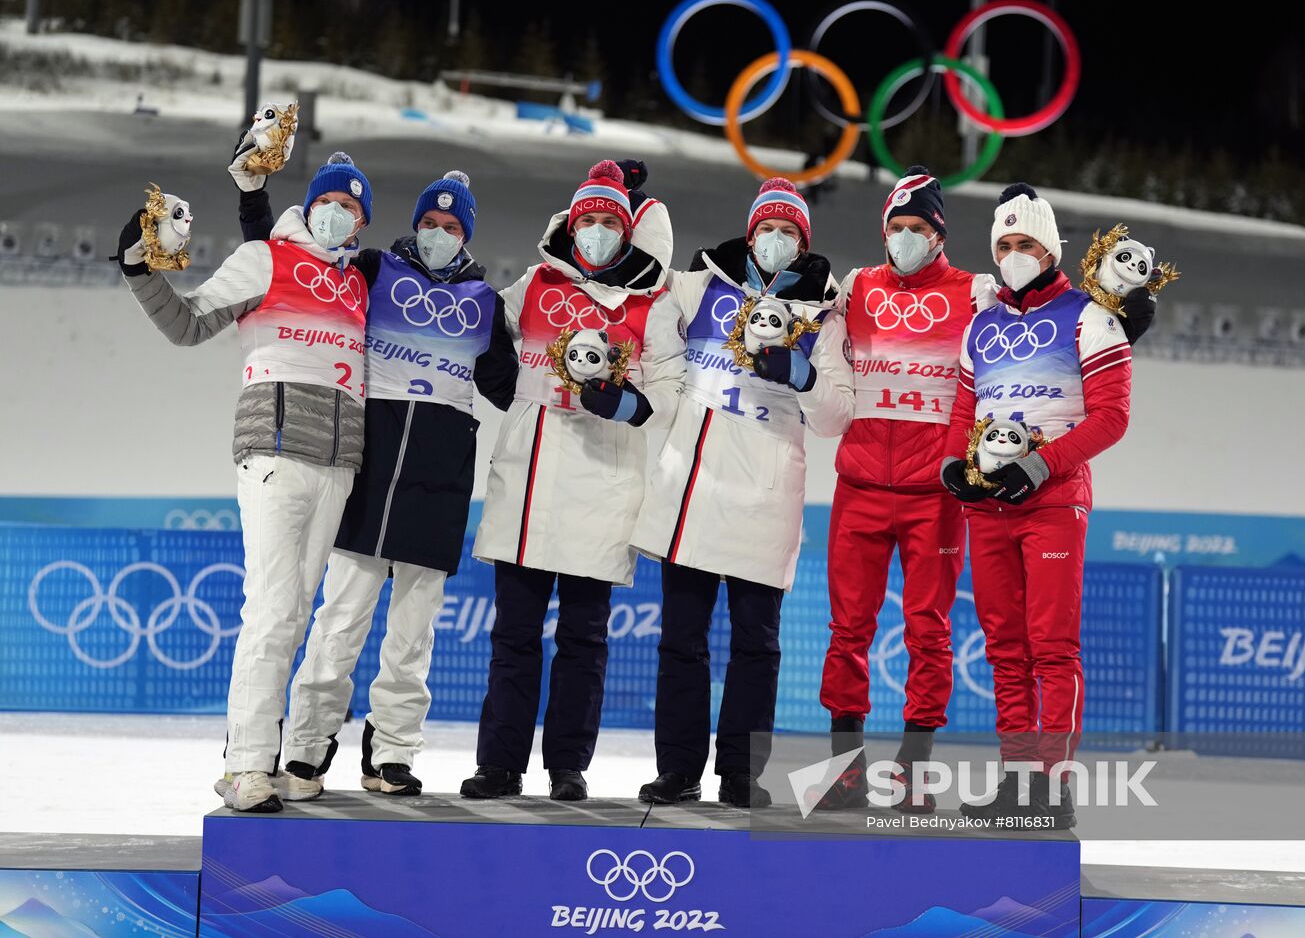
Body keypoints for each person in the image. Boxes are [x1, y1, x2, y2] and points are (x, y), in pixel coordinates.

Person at [230, 145, 517, 798]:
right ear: (413, 224)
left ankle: (391, 749)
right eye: (430, 223)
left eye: (452, 227)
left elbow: (509, 389)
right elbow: (291, 265)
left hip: (441, 482)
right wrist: (254, 203)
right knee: (340, 618)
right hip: (368, 468)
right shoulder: (371, 269)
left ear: (466, 234)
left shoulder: (482, 302)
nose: (439, 234)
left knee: (414, 634)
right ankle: (305, 746)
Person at [114, 152, 374, 812]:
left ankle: (262, 756)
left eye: (352, 209)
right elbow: (188, 321)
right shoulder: (267, 258)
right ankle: (246, 765)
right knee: (272, 610)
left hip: (338, 466)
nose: (339, 215)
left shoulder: (358, 284)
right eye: (330, 203)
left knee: (293, 617)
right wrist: (138, 265)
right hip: (277, 451)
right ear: (309, 205)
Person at [461, 160, 683, 802]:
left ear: (626, 229)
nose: (595, 232)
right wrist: (502, 383)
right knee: (514, 636)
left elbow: (669, 391)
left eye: (608, 221)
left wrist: (632, 407)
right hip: (529, 479)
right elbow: (482, 337)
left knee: (584, 640)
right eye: (586, 220)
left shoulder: (651, 299)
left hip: (604, 481)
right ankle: (500, 765)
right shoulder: (535, 283)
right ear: (570, 223)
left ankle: (566, 766)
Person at [631, 178, 855, 808]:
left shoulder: (824, 313)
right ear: (749, 232)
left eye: (789, 232)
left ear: (803, 243)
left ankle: (740, 774)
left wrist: (802, 374)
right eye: (767, 228)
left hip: (763, 493)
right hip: (691, 489)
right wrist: (635, 206)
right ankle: (678, 770)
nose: (775, 240)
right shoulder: (701, 284)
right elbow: (638, 295)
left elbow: (838, 414)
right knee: (682, 641)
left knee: (756, 646)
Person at [940, 183, 1134, 829]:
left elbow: (1112, 418)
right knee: (1004, 647)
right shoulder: (982, 325)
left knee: (1051, 646)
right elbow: (963, 413)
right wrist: (954, 464)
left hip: (1052, 502)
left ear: (1049, 248)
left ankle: (1052, 787)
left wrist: (1042, 464)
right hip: (989, 511)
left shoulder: (1088, 316)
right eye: (1005, 244)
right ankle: (1019, 782)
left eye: (1026, 243)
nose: (1014, 253)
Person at [815, 166, 996, 812]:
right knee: (848, 629)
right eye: (898, 227)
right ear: (883, 230)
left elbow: (1035, 329)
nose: (907, 238)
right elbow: (801, 319)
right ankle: (844, 766)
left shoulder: (975, 292)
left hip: (935, 493)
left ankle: (915, 766)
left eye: (919, 228)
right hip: (860, 484)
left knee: (929, 628)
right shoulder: (857, 286)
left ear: (940, 234)